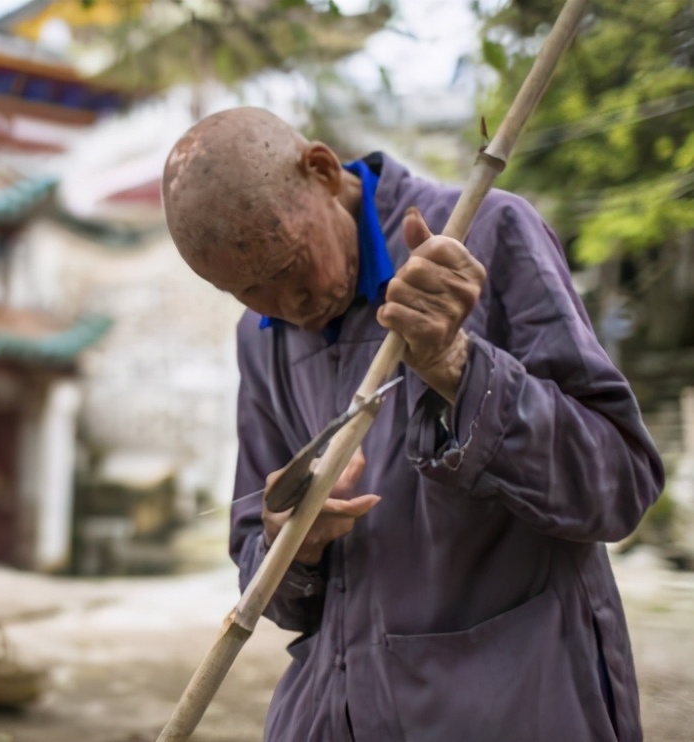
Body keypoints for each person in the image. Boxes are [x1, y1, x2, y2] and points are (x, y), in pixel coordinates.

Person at [161, 106, 664, 742]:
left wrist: (457, 366)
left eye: (288, 267)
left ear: (320, 170)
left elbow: (618, 485)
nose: (287, 307)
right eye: (245, 292)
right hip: (333, 715)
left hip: (515, 709)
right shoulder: (262, 339)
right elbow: (268, 585)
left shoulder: (483, 236)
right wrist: (294, 544)